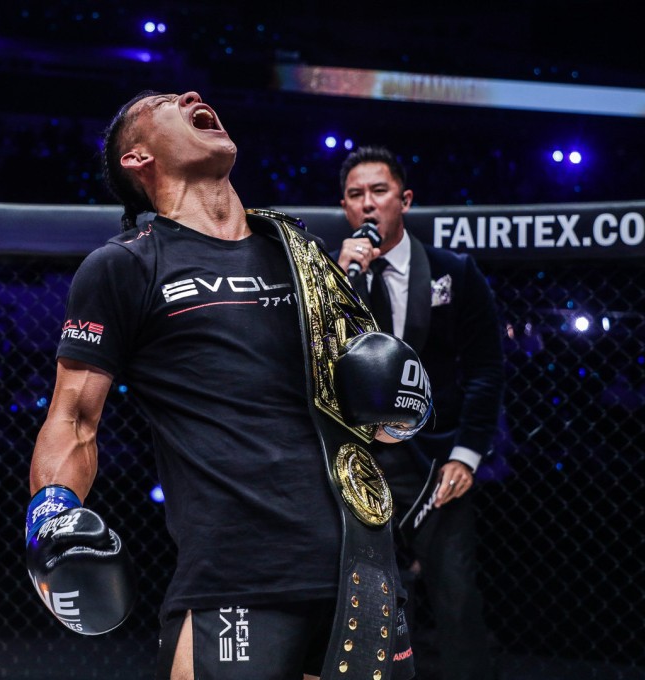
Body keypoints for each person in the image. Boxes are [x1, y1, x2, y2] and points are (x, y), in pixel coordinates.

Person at [24, 92, 433, 680]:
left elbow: (376, 428)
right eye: (166, 102)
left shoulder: (303, 257)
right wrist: (52, 513)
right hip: (235, 572)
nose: (192, 96)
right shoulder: (126, 266)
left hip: (360, 566)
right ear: (138, 157)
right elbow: (73, 419)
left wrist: (397, 407)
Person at [335, 146, 505, 680]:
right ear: (344, 207)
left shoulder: (454, 273)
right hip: (357, 459)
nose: (368, 205)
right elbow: (317, 366)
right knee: (362, 598)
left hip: (433, 461)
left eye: (379, 192)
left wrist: (467, 454)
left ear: (404, 200)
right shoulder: (336, 277)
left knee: (455, 595)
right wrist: (339, 283)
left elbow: (486, 367)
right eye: (356, 195)